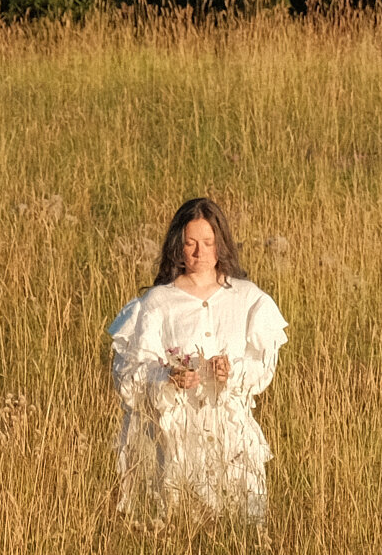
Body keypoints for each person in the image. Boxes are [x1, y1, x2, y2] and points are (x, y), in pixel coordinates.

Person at [105, 195, 289, 522]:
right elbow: (130, 375)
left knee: (239, 527)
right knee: (175, 524)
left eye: (208, 242)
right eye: (190, 243)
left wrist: (230, 373)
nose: (199, 252)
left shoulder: (249, 299)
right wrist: (167, 378)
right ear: (178, 246)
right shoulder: (156, 303)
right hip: (174, 440)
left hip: (231, 441)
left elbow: (263, 367)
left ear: (221, 243)